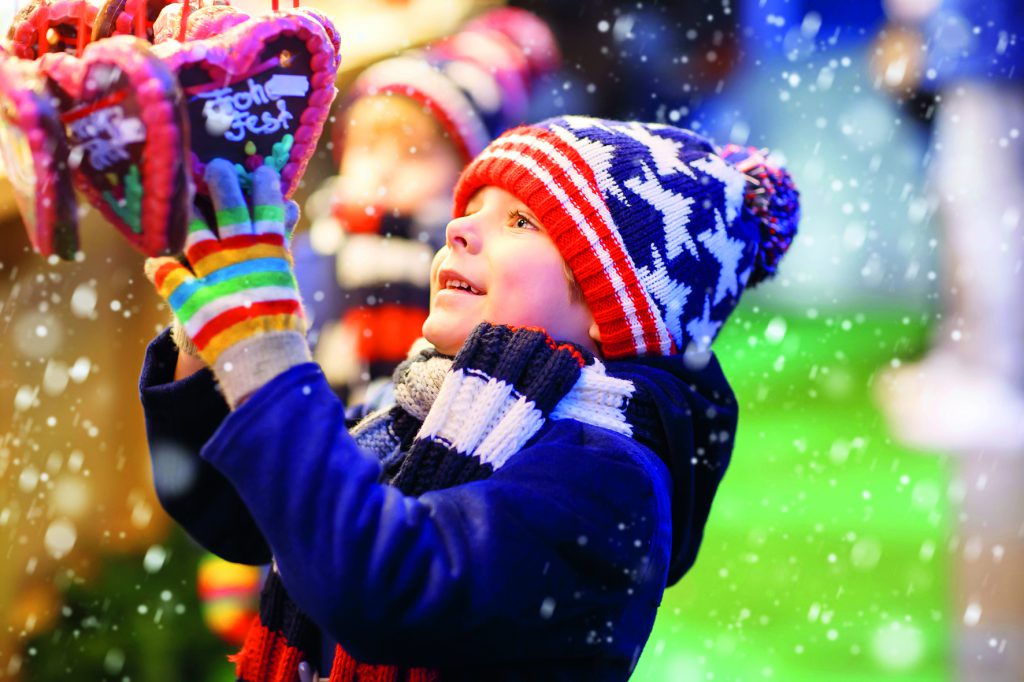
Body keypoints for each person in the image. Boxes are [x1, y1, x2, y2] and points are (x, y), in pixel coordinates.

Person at [140, 116, 799, 681]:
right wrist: (215, 342)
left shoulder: (607, 480)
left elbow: (378, 587)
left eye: (519, 220)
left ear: (613, 304)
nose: (459, 229)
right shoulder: (435, 411)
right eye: (470, 208)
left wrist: (270, 364)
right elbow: (248, 513)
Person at [298, 7, 560, 405]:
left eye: (414, 153)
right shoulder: (315, 248)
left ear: (463, 173)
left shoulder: (463, 266)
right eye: (367, 146)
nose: (384, 169)